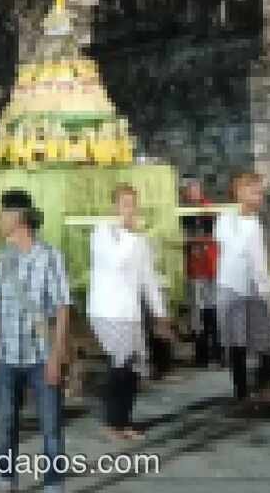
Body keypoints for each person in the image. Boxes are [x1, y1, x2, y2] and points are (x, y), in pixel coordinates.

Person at [0, 189, 70, 493]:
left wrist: (56, 356)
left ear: (19, 218)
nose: (0, 220)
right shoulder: (3, 257)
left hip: (40, 355)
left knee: (51, 426)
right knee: (5, 424)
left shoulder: (49, 257)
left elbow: (62, 309)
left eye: (4, 213)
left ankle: (53, 483)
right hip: (7, 356)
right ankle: (6, 480)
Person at [88, 183, 170, 440]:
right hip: (107, 309)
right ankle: (112, 422)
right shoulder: (103, 233)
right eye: (125, 204)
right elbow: (116, 261)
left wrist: (160, 312)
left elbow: (148, 278)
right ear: (115, 206)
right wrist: (132, 235)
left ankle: (125, 421)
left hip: (130, 311)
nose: (130, 209)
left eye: (133, 204)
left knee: (133, 367)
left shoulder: (139, 240)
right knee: (120, 364)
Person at [214, 172, 270, 409]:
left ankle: (264, 386)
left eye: (260, 192)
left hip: (255, 287)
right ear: (240, 192)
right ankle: (241, 389)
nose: (259, 197)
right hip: (232, 286)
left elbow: (260, 262)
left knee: (265, 338)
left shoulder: (255, 223)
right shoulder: (226, 219)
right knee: (236, 340)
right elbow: (240, 250)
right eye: (254, 192)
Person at [181, 177, 221, 367]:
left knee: (212, 307)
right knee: (197, 311)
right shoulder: (184, 211)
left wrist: (195, 241)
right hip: (194, 268)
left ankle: (218, 349)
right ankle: (202, 353)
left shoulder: (208, 208)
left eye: (195, 188)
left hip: (209, 266)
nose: (192, 192)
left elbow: (212, 234)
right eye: (189, 190)